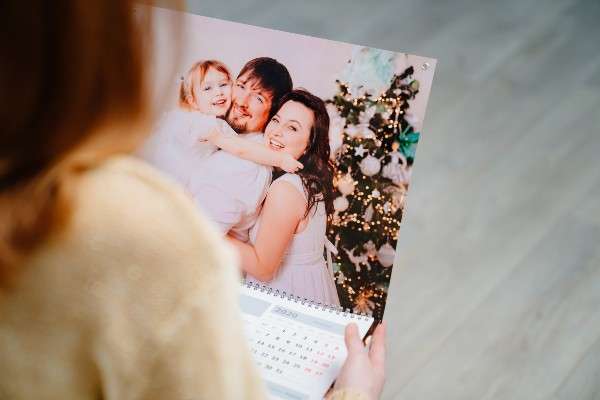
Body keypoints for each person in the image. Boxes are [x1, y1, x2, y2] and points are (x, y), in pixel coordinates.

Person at [0, 1, 386, 399]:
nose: (236, 99)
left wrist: (184, 217)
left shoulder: (251, 169)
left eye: (259, 100)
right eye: (239, 87)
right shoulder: (199, 148)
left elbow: (256, 254)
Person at [228, 89, 340, 306]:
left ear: (309, 143)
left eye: (292, 128)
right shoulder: (306, 179)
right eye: (276, 120)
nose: (276, 132)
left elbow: (263, 268)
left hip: (286, 296)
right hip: (309, 289)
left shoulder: (285, 190)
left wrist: (204, 226)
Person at [136, 59, 301, 196]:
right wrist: (279, 159)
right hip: (158, 185)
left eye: (223, 85)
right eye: (207, 88)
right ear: (193, 101)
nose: (219, 93)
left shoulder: (215, 124)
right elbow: (242, 149)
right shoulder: (205, 124)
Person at [189, 57, 294, 242]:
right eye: (241, 86)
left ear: (273, 112)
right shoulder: (226, 135)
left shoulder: (245, 166)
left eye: (258, 97)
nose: (241, 102)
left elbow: (197, 239)